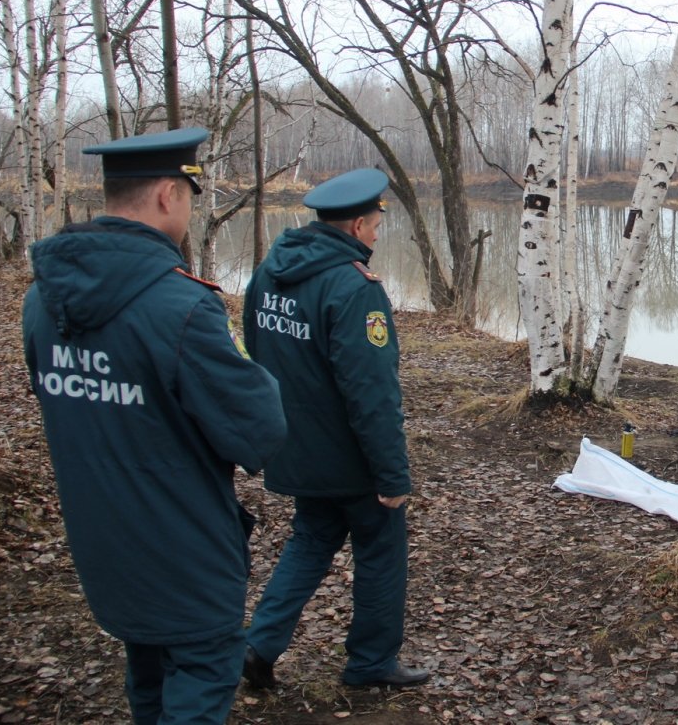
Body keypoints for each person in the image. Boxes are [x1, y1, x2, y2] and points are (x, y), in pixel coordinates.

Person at [21, 128, 288, 724]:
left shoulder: (42, 300)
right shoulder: (181, 305)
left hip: (103, 540)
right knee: (200, 673)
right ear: (169, 194)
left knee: (147, 670)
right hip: (183, 548)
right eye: (190, 196)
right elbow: (259, 431)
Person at [241, 168, 426, 690]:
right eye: (375, 226)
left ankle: (258, 646)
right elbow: (372, 392)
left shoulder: (268, 273)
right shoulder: (353, 287)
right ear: (356, 226)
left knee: (312, 538)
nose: (376, 236)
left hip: (295, 447)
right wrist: (392, 475)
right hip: (350, 457)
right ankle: (371, 663)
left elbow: (255, 349)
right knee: (380, 549)